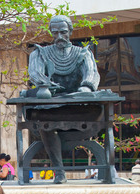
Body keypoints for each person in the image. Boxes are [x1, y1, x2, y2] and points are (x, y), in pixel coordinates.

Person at [26, 15, 100, 184]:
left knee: (94, 109)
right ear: (51, 33)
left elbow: (91, 73)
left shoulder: (83, 53)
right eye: (55, 32)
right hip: (50, 110)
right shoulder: (40, 54)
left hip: (78, 107)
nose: (59, 37)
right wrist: (45, 85)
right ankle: (59, 171)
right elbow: (36, 74)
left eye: (63, 32)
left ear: (70, 32)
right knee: (43, 121)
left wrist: (87, 86)